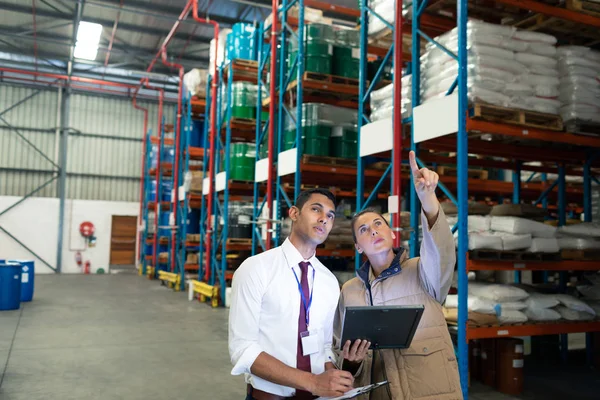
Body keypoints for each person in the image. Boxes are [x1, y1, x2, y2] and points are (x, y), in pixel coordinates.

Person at [333, 151, 462, 400]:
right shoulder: (349, 290)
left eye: (379, 224)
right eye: (364, 229)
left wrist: (428, 199)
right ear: (358, 246)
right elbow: (339, 350)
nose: (373, 231)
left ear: (391, 233)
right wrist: (351, 363)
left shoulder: (422, 271)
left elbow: (442, 250)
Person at [229, 188, 369, 400]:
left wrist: (335, 377)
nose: (324, 219)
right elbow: (243, 349)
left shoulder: (329, 282)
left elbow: (323, 345)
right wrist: (313, 382)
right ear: (294, 213)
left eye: (330, 216)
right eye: (316, 209)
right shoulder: (256, 269)